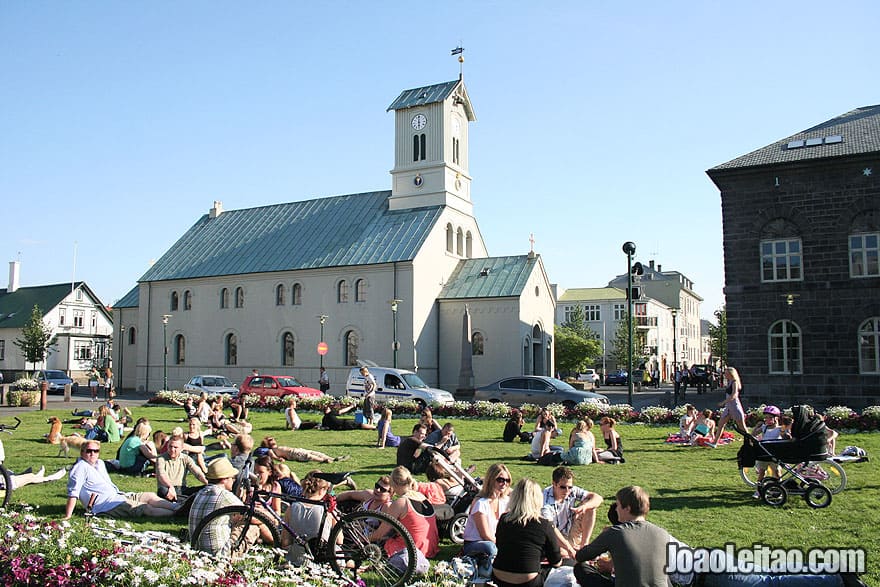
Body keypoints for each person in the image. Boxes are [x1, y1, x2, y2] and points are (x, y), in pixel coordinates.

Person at [573, 485, 673, 587]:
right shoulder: (662, 534)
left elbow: (581, 556)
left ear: (627, 508)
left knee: (581, 568)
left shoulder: (616, 532)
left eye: (618, 505)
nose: (616, 509)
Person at [64, 440, 178, 519]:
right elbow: (73, 493)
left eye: (96, 451)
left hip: (118, 496)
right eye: (89, 451)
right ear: (82, 452)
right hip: (105, 505)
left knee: (149, 496)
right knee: (145, 508)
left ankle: (179, 508)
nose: (93, 454)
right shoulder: (79, 468)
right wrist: (68, 515)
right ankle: (177, 515)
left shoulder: (99, 463)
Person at [493, 478, 562, 587]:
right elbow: (556, 560)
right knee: (568, 566)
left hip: (499, 576)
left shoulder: (504, 519)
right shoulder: (544, 524)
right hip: (528, 581)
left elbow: (499, 545)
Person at [370, 466, 439, 574]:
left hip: (411, 549)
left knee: (380, 541)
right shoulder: (421, 497)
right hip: (429, 547)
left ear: (393, 484)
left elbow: (380, 533)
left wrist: (363, 539)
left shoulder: (401, 502)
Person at [188, 457, 263, 555]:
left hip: (197, 549)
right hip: (219, 555)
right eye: (232, 478)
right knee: (253, 526)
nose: (233, 480)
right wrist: (270, 518)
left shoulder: (201, 492)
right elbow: (253, 517)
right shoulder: (224, 495)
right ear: (224, 479)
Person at [462, 463, 513, 577]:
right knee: (491, 548)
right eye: (500, 480)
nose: (504, 483)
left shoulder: (505, 501)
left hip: (496, 541)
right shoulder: (481, 503)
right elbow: (485, 535)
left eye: (507, 480)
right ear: (491, 480)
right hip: (476, 543)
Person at [541, 466, 603, 558]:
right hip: (554, 536)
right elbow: (551, 529)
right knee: (561, 553)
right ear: (554, 484)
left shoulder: (572, 491)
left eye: (570, 487)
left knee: (590, 506)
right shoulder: (545, 502)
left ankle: (584, 546)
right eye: (563, 487)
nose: (567, 491)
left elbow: (598, 498)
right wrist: (569, 548)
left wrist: (584, 507)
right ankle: (573, 551)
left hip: (570, 531)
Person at [282, 470, 339, 565]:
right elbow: (339, 540)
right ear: (323, 489)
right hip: (323, 557)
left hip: (297, 557)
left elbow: (285, 542)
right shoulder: (328, 511)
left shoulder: (291, 508)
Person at [156, 435, 208, 501]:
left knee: (206, 488)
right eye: (170, 446)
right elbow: (161, 475)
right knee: (162, 490)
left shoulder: (186, 458)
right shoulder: (161, 458)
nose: (172, 449)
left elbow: (197, 473)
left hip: (182, 489)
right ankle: (185, 500)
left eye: (175, 447)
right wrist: (170, 487)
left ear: (182, 448)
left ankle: (181, 500)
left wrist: (207, 482)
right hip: (168, 489)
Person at [711, 366, 747, 445]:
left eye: (726, 373)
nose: (725, 375)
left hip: (734, 406)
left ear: (731, 374)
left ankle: (750, 441)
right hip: (728, 407)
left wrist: (723, 402)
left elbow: (734, 395)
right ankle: (715, 442)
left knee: (742, 427)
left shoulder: (734, 382)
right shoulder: (729, 381)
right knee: (721, 423)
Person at [256, 436, 349, 464]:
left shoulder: (276, 447)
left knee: (314, 452)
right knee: (309, 456)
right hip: (292, 454)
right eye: (271, 440)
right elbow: (272, 455)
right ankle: (324, 460)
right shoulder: (271, 450)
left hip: (296, 450)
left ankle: (332, 458)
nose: (274, 441)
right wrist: (278, 459)